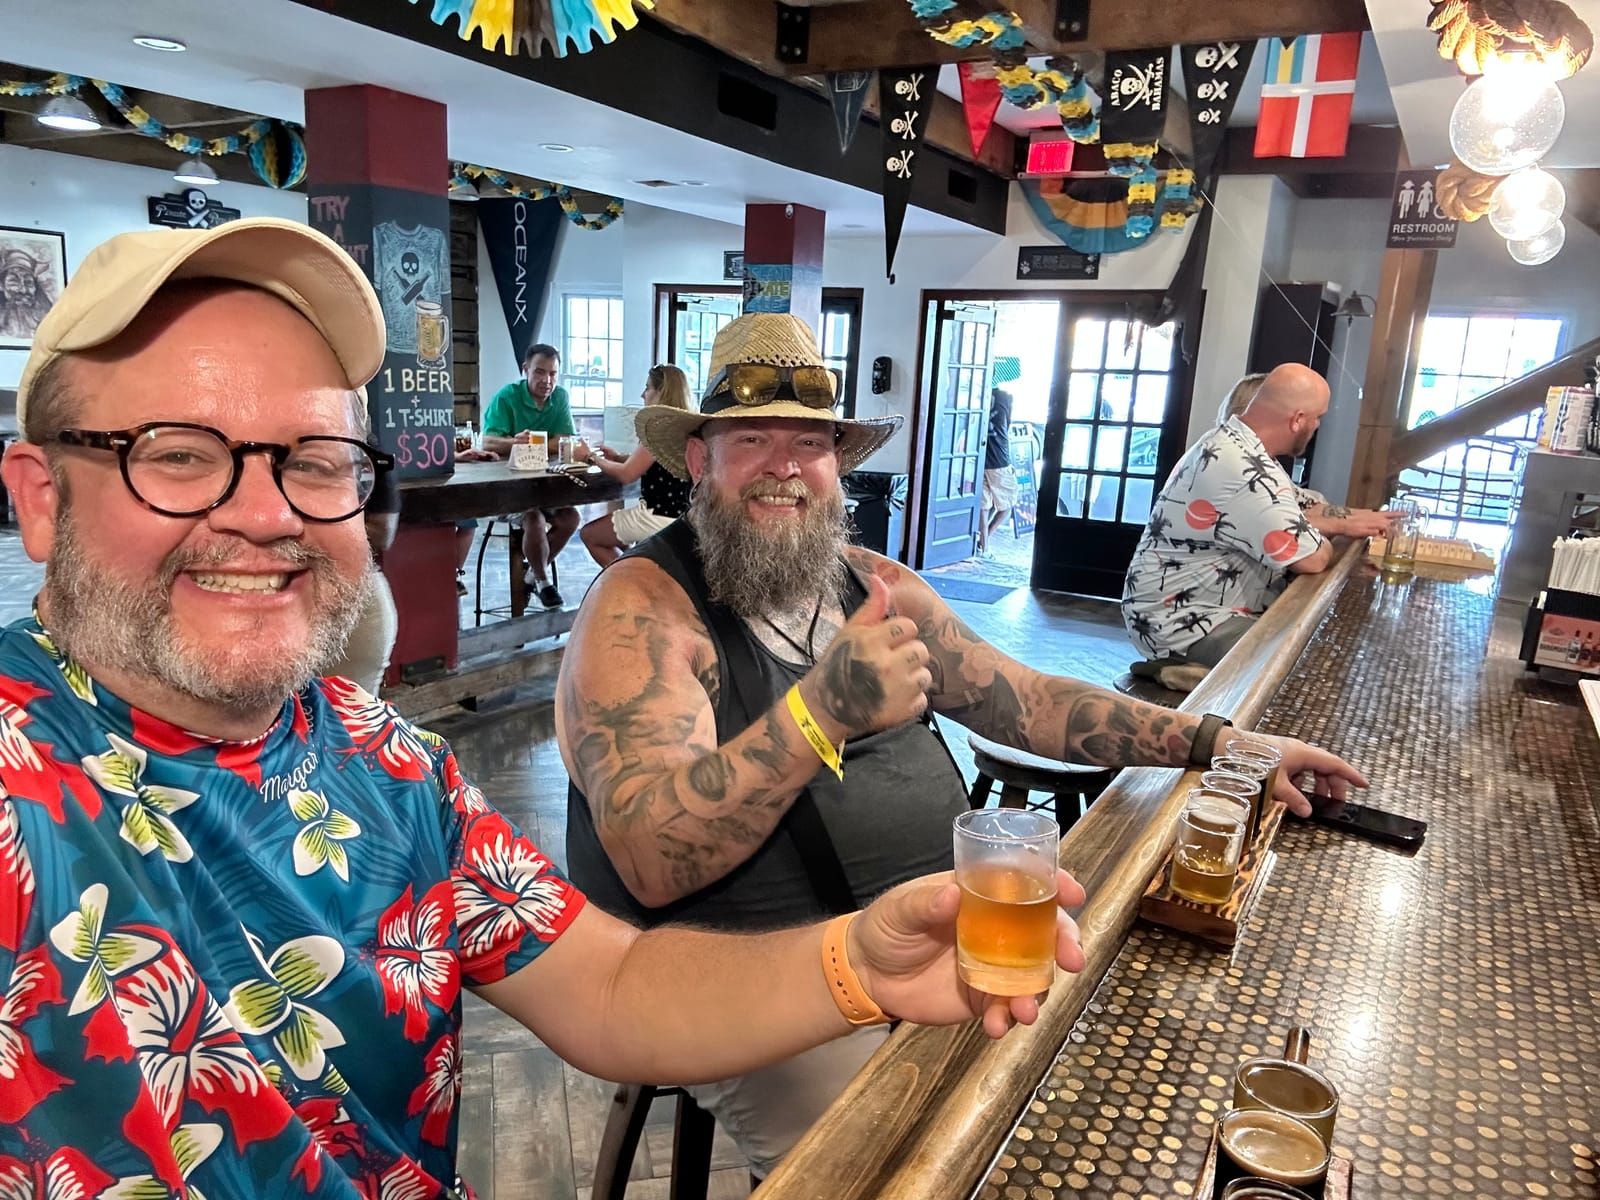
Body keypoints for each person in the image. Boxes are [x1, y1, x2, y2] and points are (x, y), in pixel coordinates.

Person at [0, 222, 1088, 1196]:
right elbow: (656, 859)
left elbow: (609, 984)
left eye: (315, 462)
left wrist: (857, 960)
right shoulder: (21, 781)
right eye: (177, 458)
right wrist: (817, 719)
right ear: (42, 499)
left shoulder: (392, 765)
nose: (264, 513)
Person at [558, 314, 1366, 1181]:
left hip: (931, 939)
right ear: (700, 461)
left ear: (839, 463)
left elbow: (1029, 702)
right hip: (748, 979)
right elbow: (650, 857)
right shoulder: (642, 608)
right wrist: (819, 714)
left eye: (811, 442)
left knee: (1101, 1076)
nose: (785, 466)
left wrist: (1225, 742)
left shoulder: (874, 584)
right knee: (911, 1164)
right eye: (751, 439)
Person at [1122, 363, 1396, 693]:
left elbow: (1308, 505)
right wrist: (1324, 527)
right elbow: (1313, 557)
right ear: (1297, 420)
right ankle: (1198, 676)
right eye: (1317, 418)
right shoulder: (1241, 470)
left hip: (1200, 609)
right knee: (1308, 664)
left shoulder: (1239, 444)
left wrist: (1351, 519)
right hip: (1183, 621)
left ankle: (1215, 676)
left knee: (1313, 643)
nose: (1318, 426)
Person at [1217, 371, 1397, 538]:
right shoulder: (1233, 464)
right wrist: (1342, 525)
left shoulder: (1266, 460)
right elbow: (1304, 552)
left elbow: (1309, 505)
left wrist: (1372, 518)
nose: (1315, 425)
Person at [480, 343, 579, 610]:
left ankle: (533, 575)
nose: (547, 380)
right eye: (539, 372)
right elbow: (487, 443)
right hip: (507, 490)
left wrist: (534, 444)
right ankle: (545, 582)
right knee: (533, 517)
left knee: (572, 518)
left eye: (553, 374)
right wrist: (515, 442)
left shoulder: (560, 397)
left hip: (546, 488)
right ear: (525, 370)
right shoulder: (506, 397)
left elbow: (567, 439)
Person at [578, 363, 695, 566]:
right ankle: (638, 574)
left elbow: (627, 475)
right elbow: (655, 464)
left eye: (647, 387)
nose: (643, 394)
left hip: (657, 514)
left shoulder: (658, 429)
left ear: (661, 392)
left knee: (590, 535)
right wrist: (617, 457)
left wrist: (590, 457)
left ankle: (627, 581)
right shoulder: (684, 426)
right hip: (683, 515)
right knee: (623, 544)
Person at [979, 356, 1021, 556]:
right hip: (999, 457)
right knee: (1010, 501)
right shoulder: (1006, 397)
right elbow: (1007, 424)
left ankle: (983, 545)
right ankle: (986, 536)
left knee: (983, 503)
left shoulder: (977, 394)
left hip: (978, 456)